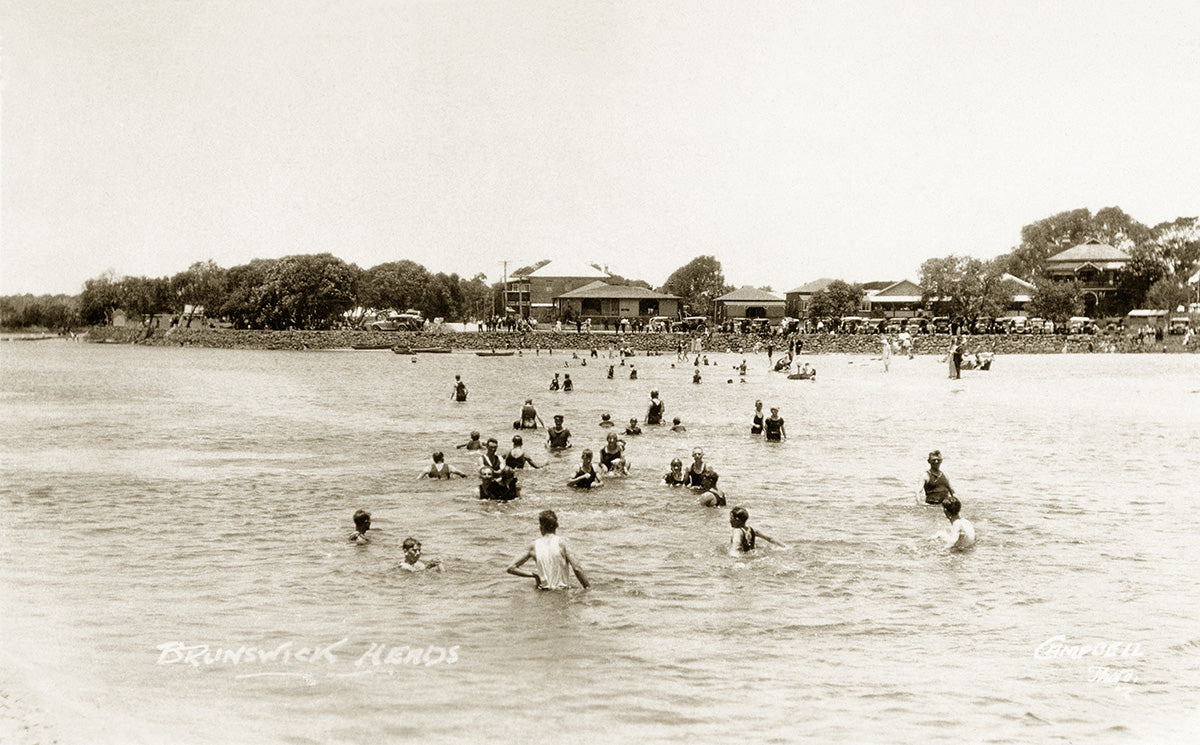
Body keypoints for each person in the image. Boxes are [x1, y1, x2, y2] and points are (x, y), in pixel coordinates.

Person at [506, 510, 590, 590]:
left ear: (540, 528)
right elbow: (577, 568)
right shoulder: (562, 543)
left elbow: (511, 568)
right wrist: (588, 589)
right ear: (556, 526)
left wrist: (535, 575)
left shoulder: (533, 546)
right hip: (561, 593)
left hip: (543, 592)